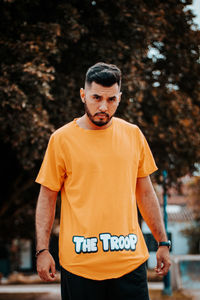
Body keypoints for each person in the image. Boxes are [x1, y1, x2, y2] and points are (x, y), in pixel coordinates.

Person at [35, 62, 171, 300]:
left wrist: (163, 242)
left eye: (111, 100)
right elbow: (47, 198)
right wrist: (43, 250)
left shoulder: (133, 135)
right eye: (96, 97)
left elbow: (146, 193)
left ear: (119, 98)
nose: (103, 106)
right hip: (80, 266)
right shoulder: (61, 140)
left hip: (129, 263)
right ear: (83, 95)